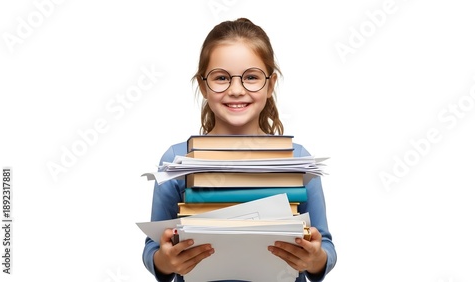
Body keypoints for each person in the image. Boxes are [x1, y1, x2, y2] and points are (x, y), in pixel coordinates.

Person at [142, 18, 337, 281]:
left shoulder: (297, 159)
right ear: (203, 86)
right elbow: (153, 249)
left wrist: (315, 258)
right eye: (221, 77)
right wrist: (165, 260)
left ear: (270, 85)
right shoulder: (178, 160)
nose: (236, 90)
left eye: (251, 77)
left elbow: (324, 246)